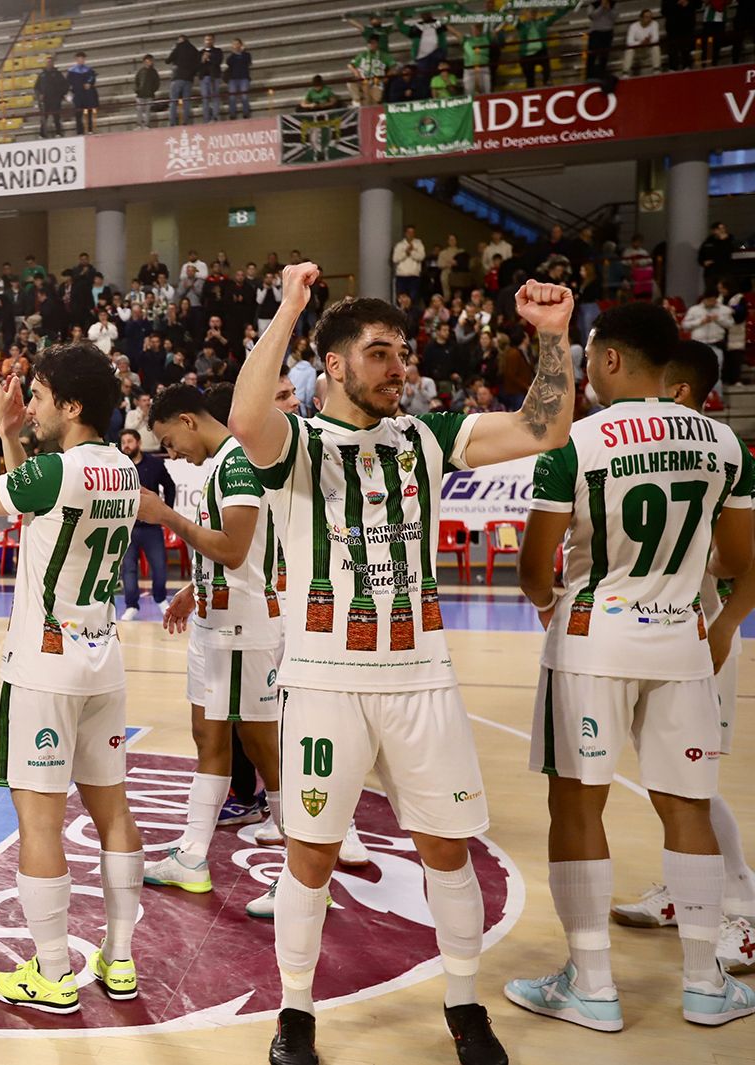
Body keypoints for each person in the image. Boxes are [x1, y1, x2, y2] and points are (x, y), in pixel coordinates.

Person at [229, 262, 577, 1065]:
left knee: (446, 848)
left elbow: (542, 429)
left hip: (422, 676)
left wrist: (553, 339)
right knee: (309, 854)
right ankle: (296, 1012)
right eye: (382, 353)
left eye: (404, 352)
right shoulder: (297, 444)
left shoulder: (425, 435)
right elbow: (248, 414)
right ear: (339, 366)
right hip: (323, 681)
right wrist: (288, 310)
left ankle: (464, 1005)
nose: (401, 368)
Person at [505, 307, 755, 1033]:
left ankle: (592, 983)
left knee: (578, 806)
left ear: (611, 360)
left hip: (592, 639)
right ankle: (707, 983)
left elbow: (531, 567)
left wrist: (551, 603)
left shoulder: (574, 444)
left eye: (588, 356)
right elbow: (739, 564)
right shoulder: (725, 442)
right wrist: (716, 621)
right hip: (682, 639)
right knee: (688, 805)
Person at [0, 343, 145, 1013]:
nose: (26, 404)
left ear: (71, 406)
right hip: (102, 661)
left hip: (42, 666)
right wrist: (12, 434)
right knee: (113, 811)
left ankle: (54, 971)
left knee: (39, 823)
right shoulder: (122, 466)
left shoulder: (57, 473)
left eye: (35, 396)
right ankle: (118, 959)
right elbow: (38, 510)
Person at [609, 340, 755, 972]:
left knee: (695, 785)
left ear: (679, 394)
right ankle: (684, 889)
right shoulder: (651, 452)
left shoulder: (715, 454)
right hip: (658, 635)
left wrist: (725, 625)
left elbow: (742, 559)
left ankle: (742, 909)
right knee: (668, 778)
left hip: (701, 634)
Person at [140, 385, 288, 896]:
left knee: (263, 746)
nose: (171, 452)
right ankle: (193, 855)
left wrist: (167, 518)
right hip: (213, 622)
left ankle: (304, 872)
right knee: (207, 736)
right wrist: (189, 590)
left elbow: (233, 549)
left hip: (244, 627)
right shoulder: (219, 466)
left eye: (169, 440)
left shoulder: (238, 464)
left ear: (188, 419)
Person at [117, 428, 176, 622]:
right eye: (123, 442)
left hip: (151, 526)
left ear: (139, 443)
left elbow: (169, 486)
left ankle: (160, 599)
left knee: (159, 566)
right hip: (127, 527)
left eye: (129, 441)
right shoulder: (118, 466)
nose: (126, 445)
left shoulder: (155, 464)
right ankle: (131, 605)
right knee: (128, 569)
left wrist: (165, 511)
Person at [166, 33, 201, 125]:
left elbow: (168, 60)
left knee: (174, 101)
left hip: (178, 77)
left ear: (180, 40)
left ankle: (172, 122)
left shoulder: (178, 47)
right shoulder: (194, 50)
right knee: (186, 102)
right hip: (189, 79)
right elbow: (198, 64)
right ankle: (185, 121)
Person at [348, 37, 391, 104]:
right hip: (363, 80)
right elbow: (350, 65)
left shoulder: (384, 55)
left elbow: (394, 67)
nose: (371, 45)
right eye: (370, 43)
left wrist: (387, 77)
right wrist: (356, 74)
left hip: (377, 81)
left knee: (375, 100)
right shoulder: (363, 55)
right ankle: (357, 101)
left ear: (378, 44)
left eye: (373, 43)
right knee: (351, 83)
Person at [34, 55, 69, 139]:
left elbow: (65, 85)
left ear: (53, 63)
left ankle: (58, 133)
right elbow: (36, 87)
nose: (49, 64)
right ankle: (42, 134)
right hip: (45, 100)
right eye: (47, 62)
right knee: (44, 118)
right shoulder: (42, 75)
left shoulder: (58, 74)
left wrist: (61, 95)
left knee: (56, 116)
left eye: (50, 62)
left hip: (55, 99)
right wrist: (40, 96)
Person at [66, 51, 98, 134]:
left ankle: (90, 129)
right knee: (78, 113)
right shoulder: (72, 71)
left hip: (87, 95)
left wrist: (89, 83)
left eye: (82, 59)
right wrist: (71, 91)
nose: (81, 60)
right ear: (76, 59)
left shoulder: (89, 70)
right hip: (78, 95)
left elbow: (92, 79)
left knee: (89, 112)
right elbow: (68, 83)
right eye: (79, 59)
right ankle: (79, 131)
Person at [393, 224, 426, 303]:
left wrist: (412, 252)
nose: (410, 234)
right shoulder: (399, 245)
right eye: (409, 232)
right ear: (405, 233)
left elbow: (421, 257)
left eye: (412, 232)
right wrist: (406, 253)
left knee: (413, 298)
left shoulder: (418, 244)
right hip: (402, 276)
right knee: (400, 298)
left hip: (414, 276)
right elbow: (395, 259)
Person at [623, 8, 662, 73]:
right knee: (629, 49)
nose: (649, 19)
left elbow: (656, 39)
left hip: (648, 48)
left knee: (656, 47)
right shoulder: (633, 26)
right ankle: (625, 72)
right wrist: (641, 42)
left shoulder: (655, 24)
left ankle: (656, 69)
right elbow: (629, 42)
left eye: (650, 17)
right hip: (638, 50)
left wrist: (647, 42)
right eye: (646, 17)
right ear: (641, 18)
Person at [700, 222, 737, 290]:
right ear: (714, 230)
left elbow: (730, 252)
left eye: (723, 228)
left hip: (724, 272)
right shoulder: (708, 242)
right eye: (719, 228)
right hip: (710, 272)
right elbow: (701, 255)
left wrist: (724, 241)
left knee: (725, 290)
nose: (722, 230)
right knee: (711, 291)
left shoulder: (730, 240)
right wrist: (703, 262)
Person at [197, 34, 224, 123]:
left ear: (213, 41)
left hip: (214, 77)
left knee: (215, 97)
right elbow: (197, 65)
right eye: (206, 40)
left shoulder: (217, 51)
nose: (208, 41)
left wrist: (209, 58)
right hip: (204, 78)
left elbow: (218, 61)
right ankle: (206, 118)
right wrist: (202, 60)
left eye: (210, 39)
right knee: (205, 99)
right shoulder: (200, 53)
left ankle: (215, 117)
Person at [587, 0, 617, 78]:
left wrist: (609, 9)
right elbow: (592, 17)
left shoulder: (613, 4)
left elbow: (614, 17)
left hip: (608, 33)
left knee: (604, 56)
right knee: (592, 55)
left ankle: (602, 74)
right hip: (595, 33)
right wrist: (601, 7)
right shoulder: (593, 5)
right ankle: (589, 76)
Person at [224, 38, 252, 120]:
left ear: (241, 45)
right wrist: (234, 53)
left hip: (244, 78)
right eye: (234, 44)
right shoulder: (231, 57)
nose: (236, 46)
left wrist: (242, 52)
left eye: (237, 44)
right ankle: (232, 114)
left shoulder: (246, 55)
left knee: (244, 96)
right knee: (232, 97)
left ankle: (246, 113)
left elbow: (248, 62)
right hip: (233, 79)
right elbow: (228, 63)